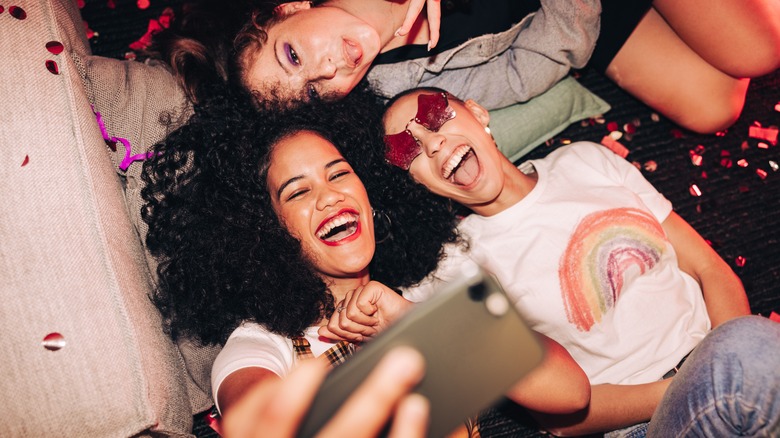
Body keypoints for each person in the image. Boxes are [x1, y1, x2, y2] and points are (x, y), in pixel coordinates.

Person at [323, 87, 780, 435]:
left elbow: (707, 266)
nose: (435, 144)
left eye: (437, 119)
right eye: (411, 152)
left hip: (739, 363)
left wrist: (734, 354)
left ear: (478, 114)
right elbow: (560, 420)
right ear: (418, 184)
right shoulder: (449, 266)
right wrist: (700, 377)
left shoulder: (586, 161)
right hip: (649, 422)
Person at [140, 88, 590, 436]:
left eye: (338, 173)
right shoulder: (263, 344)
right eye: (297, 191)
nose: (329, 194)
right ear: (267, 232)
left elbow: (570, 392)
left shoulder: (422, 296)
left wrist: (413, 321)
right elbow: (260, 412)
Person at [149, 0, 780, 134]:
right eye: (319, 91)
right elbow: (518, 72)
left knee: (756, 51)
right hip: (578, 12)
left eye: (294, 52)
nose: (328, 66)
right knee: (714, 105)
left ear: (288, 8)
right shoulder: (391, 77)